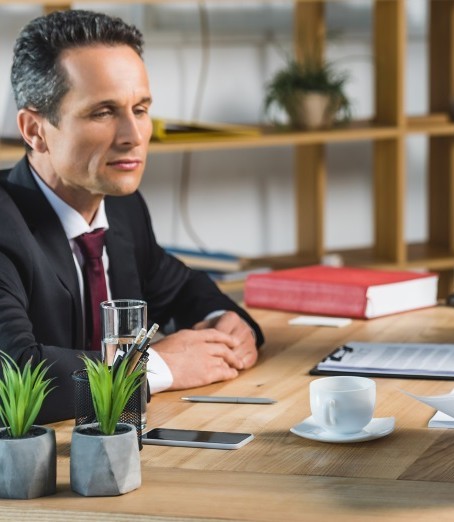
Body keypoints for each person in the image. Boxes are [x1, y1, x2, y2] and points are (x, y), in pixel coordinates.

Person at [1, 10, 264, 424]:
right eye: (103, 112)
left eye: (140, 109)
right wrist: (154, 366)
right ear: (35, 130)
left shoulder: (123, 207)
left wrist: (225, 322)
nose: (134, 135)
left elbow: (182, 287)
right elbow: (14, 375)